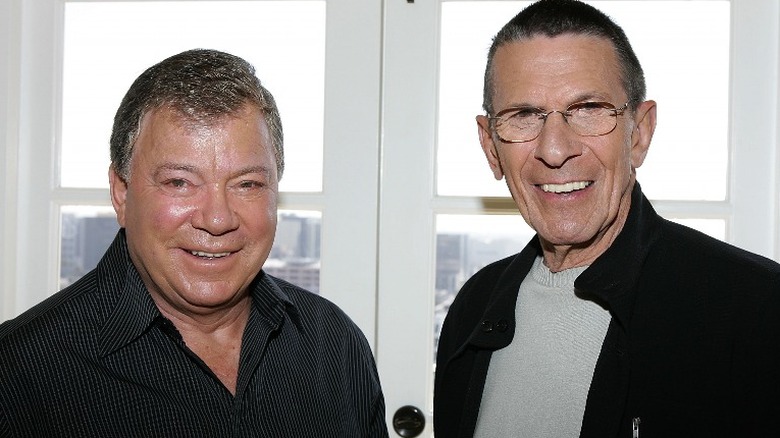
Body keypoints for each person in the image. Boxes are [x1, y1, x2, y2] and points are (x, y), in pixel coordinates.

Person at [433, 1, 780, 437]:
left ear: (639, 133)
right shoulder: (473, 305)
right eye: (523, 116)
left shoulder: (757, 311)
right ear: (490, 146)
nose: (555, 150)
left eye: (589, 109)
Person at [0, 49, 388, 437]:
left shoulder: (334, 345)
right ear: (121, 193)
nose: (217, 219)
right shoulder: (18, 372)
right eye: (179, 183)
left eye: (247, 184)